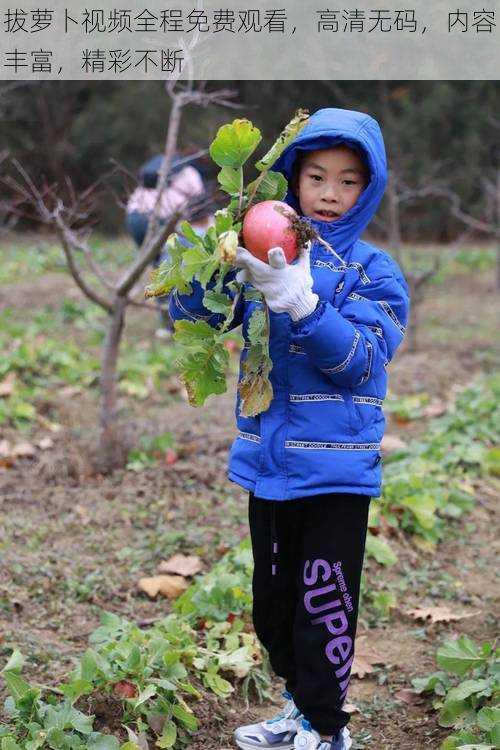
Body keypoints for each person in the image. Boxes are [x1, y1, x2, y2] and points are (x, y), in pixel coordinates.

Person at [168, 108, 410, 750]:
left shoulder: (373, 272)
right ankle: (296, 708)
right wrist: (209, 260)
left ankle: (327, 728)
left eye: (349, 181)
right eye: (317, 177)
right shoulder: (259, 248)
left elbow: (360, 362)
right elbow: (196, 317)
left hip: (335, 471)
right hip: (268, 464)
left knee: (322, 604)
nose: (330, 194)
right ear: (291, 182)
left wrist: (301, 302)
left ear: (370, 188)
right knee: (273, 610)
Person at [125, 154, 207, 338]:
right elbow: (200, 205)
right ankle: (176, 324)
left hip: (134, 218)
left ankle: (167, 322)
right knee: (173, 271)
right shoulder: (189, 172)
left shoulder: (157, 170)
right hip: (163, 219)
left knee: (160, 269)